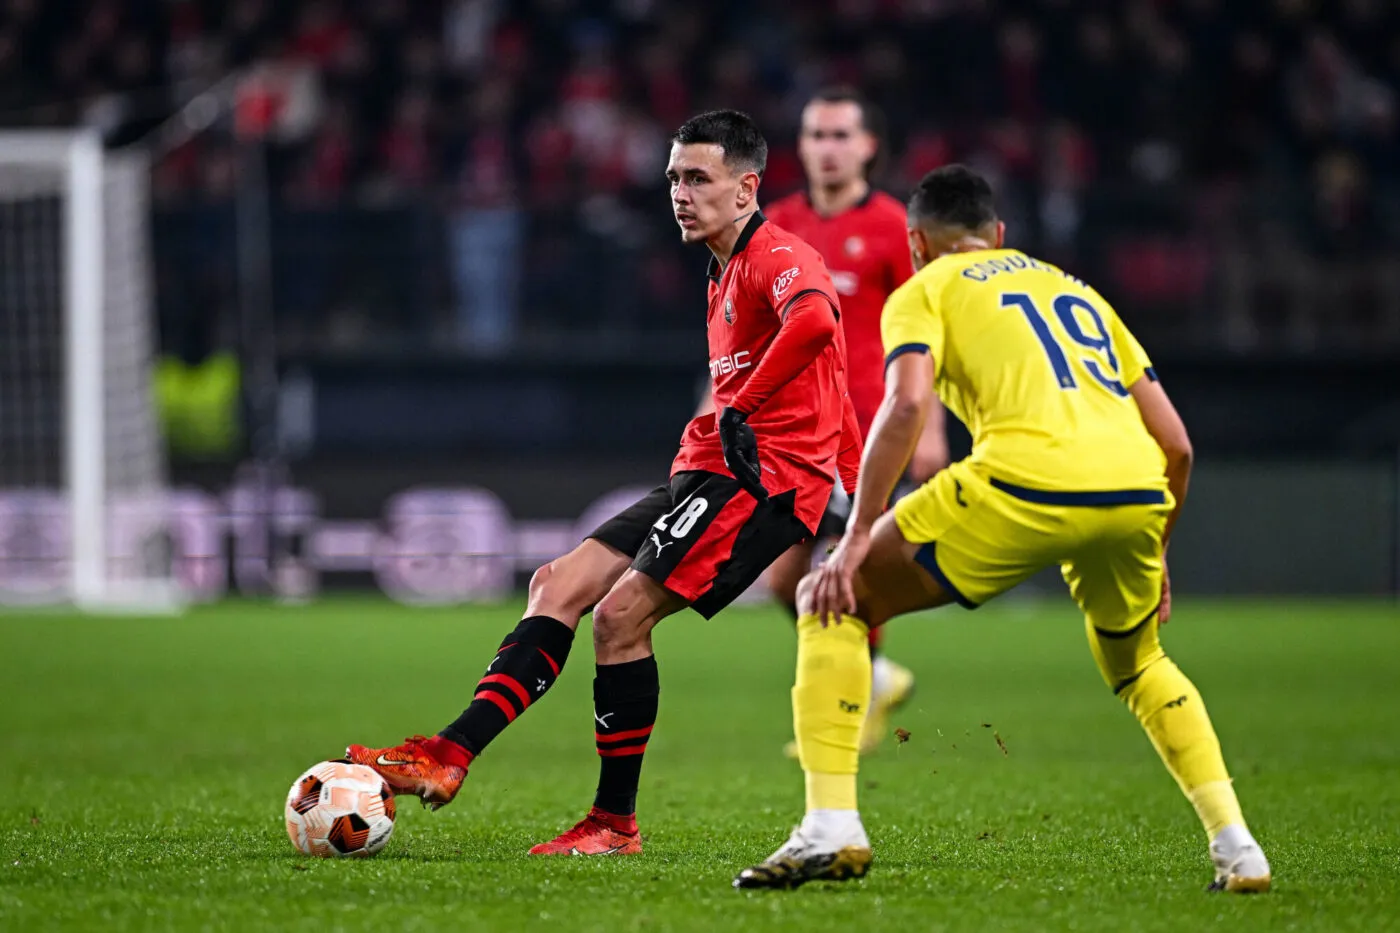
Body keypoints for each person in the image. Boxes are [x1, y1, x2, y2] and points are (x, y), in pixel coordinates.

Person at [734, 166, 1272, 894]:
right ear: (1000, 234)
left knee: (833, 595)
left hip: (1022, 477)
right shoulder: (1078, 289)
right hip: (1136, 490)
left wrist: (857, 532)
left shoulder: (925, 288)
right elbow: (1176, 442)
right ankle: (1238, 846)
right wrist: (1158, 546)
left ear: (916, 242)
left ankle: (831, 825)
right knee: (1140, 663)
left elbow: (905, 405)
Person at [347, 109, 863, 856]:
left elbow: (815, 324)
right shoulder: (723, 269)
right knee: (557, 582)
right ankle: (448, 752)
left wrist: (751, 419)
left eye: (698, 178)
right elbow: (834, 380)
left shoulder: (776, 254)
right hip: (711, 469)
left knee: (620, 618)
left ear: (747, 188)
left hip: (762, 480)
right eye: (674, 179)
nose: (680, 194)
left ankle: (613, 823)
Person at [694, 87, 946, 753]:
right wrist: (717, 407)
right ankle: (877, 672)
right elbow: (737, 328)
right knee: (783, 577)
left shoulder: (895, 226)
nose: (827, 148)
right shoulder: (771, 224)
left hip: (867, 428)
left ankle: (850, 707)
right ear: (799, 146)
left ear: (867, 146)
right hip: (792, 431)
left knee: (844, 565)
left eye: (840, 135)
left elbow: (930, 330)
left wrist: (932, 425)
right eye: (816, 135)